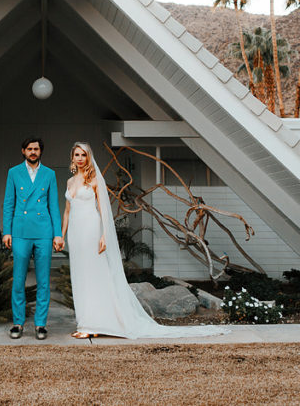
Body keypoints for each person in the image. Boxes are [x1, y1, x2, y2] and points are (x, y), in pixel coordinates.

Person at [61, 141, 229, 339]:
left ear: (88, 157)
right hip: (75, 233)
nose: (80, 159)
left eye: (83, 155)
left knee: (94, 276)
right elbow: (67, 211)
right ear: (72, 158)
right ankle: (84, 321)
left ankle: (95, 323)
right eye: (77, 155)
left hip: (91, 230)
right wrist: (61, 235)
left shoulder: (95, 180)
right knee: (80, 275)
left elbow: (105, 212)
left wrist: (104, 235)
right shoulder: (70, 182)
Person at [2, 137, 63, 341]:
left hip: (44, 231)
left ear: (40, 151)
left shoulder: (49, 174)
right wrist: (7, 231)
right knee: (18, 279)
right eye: (29, 149)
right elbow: (8, 203)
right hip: (20, 231)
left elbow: (54, 205)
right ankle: (18, 323)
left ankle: (40, 324)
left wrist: (58, 234)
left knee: (43, 280)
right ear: (23, 151)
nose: (33, 152)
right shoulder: (13, 172)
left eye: (36, 149)